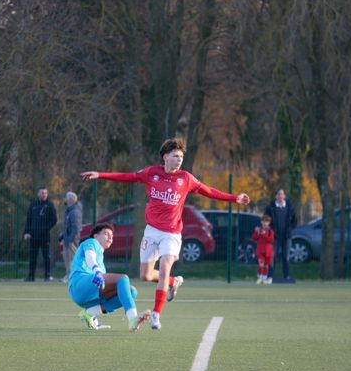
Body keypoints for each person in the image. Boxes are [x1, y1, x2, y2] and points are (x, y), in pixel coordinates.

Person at [81, 137, 250, 330]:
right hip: (151, 232)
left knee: (164, 267)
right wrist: (100, 174)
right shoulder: (152, 173)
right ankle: (173, 282)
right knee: (145, 276)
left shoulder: (185, 178)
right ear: (165, 157)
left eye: (181, 157)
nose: (179, 160)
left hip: (171, 234)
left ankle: (156, 315)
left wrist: (234, 198)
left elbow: (208, 191)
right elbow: (127, 177)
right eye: (175, 156)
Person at [69, 223, 151, 332]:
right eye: (106, 234)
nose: (110, 237)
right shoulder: (91, 242)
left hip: (88, 297)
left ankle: (89, 313)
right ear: (96, 236)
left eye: (111, 236)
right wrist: (96, 270)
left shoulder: (101, 264)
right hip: (78, 285)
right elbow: (90, 256)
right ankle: (133, 319)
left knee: (132, 292)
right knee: (123, 278)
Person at [24, 187, 57, 282]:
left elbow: (54, 220)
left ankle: (47, 276)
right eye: (42, 193)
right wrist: (26, 232)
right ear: (38, 194)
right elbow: (28, 220)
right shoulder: (33, 205)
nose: (44, 195)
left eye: (45, 193)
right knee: (32, 256)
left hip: (45, 236)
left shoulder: (50, 205)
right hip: (33, 236)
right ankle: (31, 276)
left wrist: (45, 229)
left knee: (46, 256)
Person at [264, 188, 297, 281]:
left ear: (284, 196)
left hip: (287, 237)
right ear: (276, 196)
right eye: (278, 194)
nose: (280, 196)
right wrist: (269, 229)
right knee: (272, 257)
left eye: (282, 194)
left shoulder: (290, 207)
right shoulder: (270, 207)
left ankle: (286, 276)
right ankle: (269, 277)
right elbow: (265, 219)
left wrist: (290, 229)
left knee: (286, 257)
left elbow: (295, 221)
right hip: (274, 237)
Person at [60, 191, 82, 283]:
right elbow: (67, 226)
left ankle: (73, 276)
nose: (64, 199)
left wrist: (71, 239)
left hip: (71, 240)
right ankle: (68, 275)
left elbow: (76, 228)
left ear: (70, 200)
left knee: (72, 258)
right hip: (67, 239)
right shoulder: (69, 211)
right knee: (67, 258)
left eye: (66, 197)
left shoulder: (75, 212)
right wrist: (62, 236)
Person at [252, 214, 275, 284]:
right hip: (260, 251)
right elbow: (253, 238)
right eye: (263, 221)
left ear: (269, 223)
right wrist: (256, 232)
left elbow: (271, 240)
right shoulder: (259, 229)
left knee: (266, 265)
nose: (265, 223)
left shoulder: (270, 231)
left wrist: (264, 234)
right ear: (261, 222)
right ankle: (259, 278)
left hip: (268, 251)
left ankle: (264, 278)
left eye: (266, 222)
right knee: (261, 264)